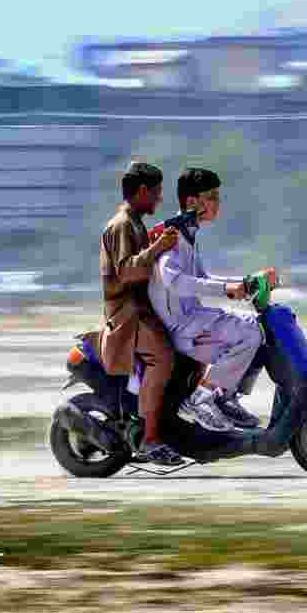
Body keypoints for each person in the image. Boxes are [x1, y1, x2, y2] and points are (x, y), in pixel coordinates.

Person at [148, 167, 277, 431]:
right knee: (250, 332)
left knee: (261, 331)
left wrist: (242, 283)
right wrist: (227, 289)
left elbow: (203, 277)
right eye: (212, 197)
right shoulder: (172, 236)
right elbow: (173, 281)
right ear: (192, 202)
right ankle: (200, 399)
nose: (218, 203)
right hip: (181, 326)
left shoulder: (189, 234)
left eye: (218, 197)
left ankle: (223, 398)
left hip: (194, 320)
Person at [98, 161, 183, 466]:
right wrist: (158, 246)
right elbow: (126, 272)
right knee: (163, 357)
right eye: (157, 192)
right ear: (143, 191)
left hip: (142, 307)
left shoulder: (134, 223)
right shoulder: (122, 224)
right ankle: (149, 440)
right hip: (128, 313)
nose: (159, 199)